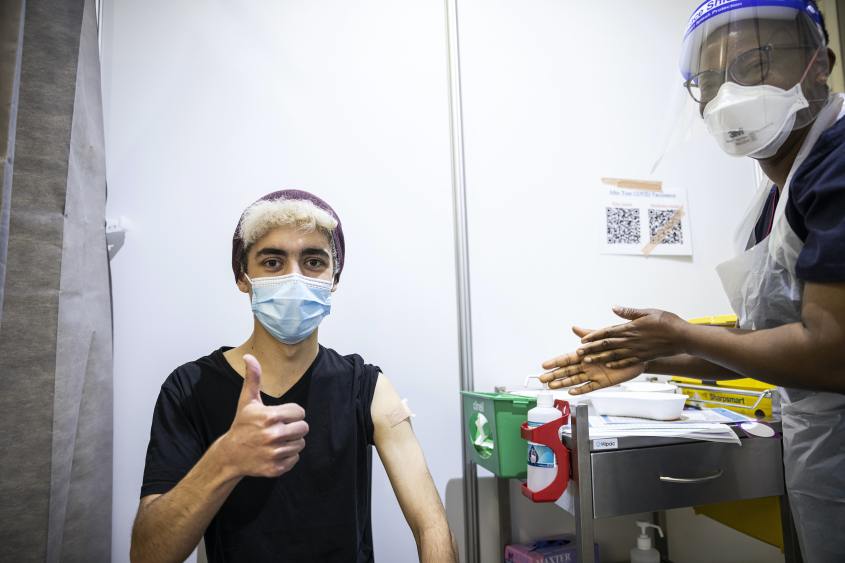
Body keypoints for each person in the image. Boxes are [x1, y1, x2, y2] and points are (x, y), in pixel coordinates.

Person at [540, 2, 845, 561]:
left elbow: (831, 352)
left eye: (754, 65)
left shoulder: (838, 164)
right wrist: (649, 357)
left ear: (819, 65)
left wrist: (681, 335)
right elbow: (765, 338)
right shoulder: (774, 199)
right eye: (709, 80)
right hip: (820, 449)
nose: (728, 94)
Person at [130, 190, 456, 562]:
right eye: (272, 262)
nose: (294, 278)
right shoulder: (189, 389)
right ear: (242, 276)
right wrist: (225, 459)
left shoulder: (366, 388)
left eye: (313, 261)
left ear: (333, 279)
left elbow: (431, 524)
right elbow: (147, 556)